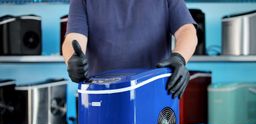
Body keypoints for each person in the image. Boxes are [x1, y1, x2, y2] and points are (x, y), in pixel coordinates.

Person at [62, 0, 198, 99]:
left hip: (154, 94)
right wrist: (73, 59)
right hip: (102, 95)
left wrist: (179, 57)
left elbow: (186, 30)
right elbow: (74, 37)